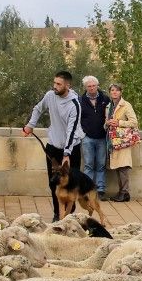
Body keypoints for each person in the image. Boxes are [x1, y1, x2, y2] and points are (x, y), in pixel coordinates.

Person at [23, 70, 81, 219]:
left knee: (69, 184)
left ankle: (68, 214)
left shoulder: (74, 104)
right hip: (53, 147)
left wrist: (67, 154)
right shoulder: (50, 96)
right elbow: (38, 108)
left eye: (59, 84)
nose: (55, 86)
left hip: (71, 149)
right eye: (54, 83)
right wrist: (30, 125)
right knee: (54, 183)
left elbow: (72, 131)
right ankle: (57, 214)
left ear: (67, 85)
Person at [76, 75, 112, 196]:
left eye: (93, 86)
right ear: (86, 87)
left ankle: (100, 189)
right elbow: (77, 119)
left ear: (97, 86)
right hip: (87, 138)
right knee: (88, 165)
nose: (91, 88)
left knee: (101, 165)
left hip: (102, 137)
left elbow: (110, 116)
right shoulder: (80, 101)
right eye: (89, 86)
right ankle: (87, 189)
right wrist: (82, 134)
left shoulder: (105, 99)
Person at [106, 82, 139, 202]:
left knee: (123, 167)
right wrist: (107, 123)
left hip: (123, 141)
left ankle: (125, 192)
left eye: (116, 90)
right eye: (112, 90)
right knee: (117, 167)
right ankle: (121, 192)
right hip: (112, 141)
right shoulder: (109, 106)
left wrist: (119, 123)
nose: (114, 92)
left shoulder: (126, 105)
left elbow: (134, 122)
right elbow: (107, 122)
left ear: (121, 92)